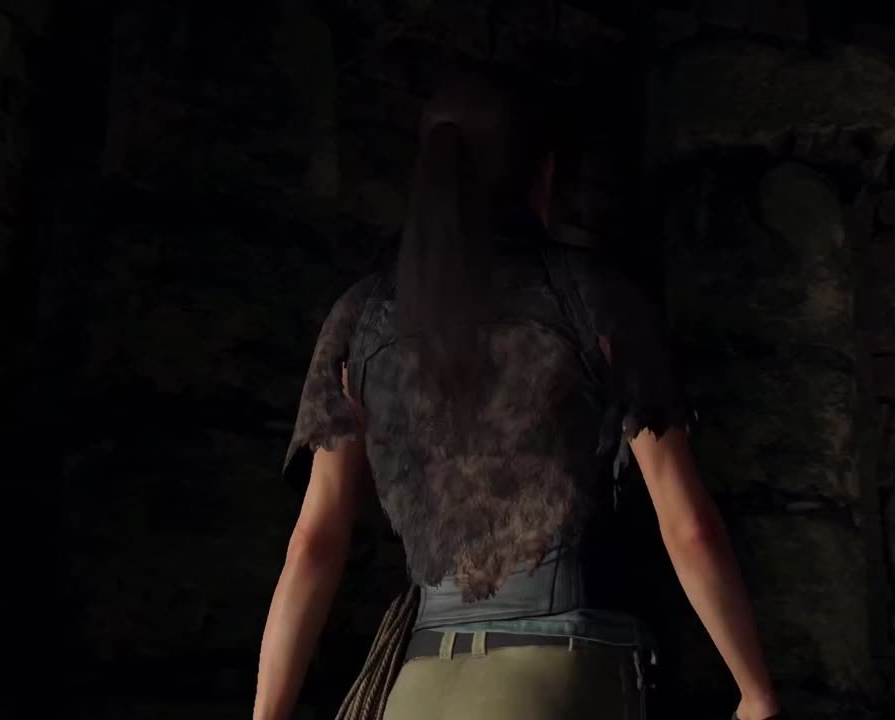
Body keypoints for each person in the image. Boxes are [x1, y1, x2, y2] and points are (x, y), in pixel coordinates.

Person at [253, 69, 781, 720]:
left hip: (419, 685)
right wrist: (756, 695)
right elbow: (690, 527)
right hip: (569, 673)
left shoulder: (359, 320)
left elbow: (313, 545)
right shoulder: (594, 299)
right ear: (544, 174)